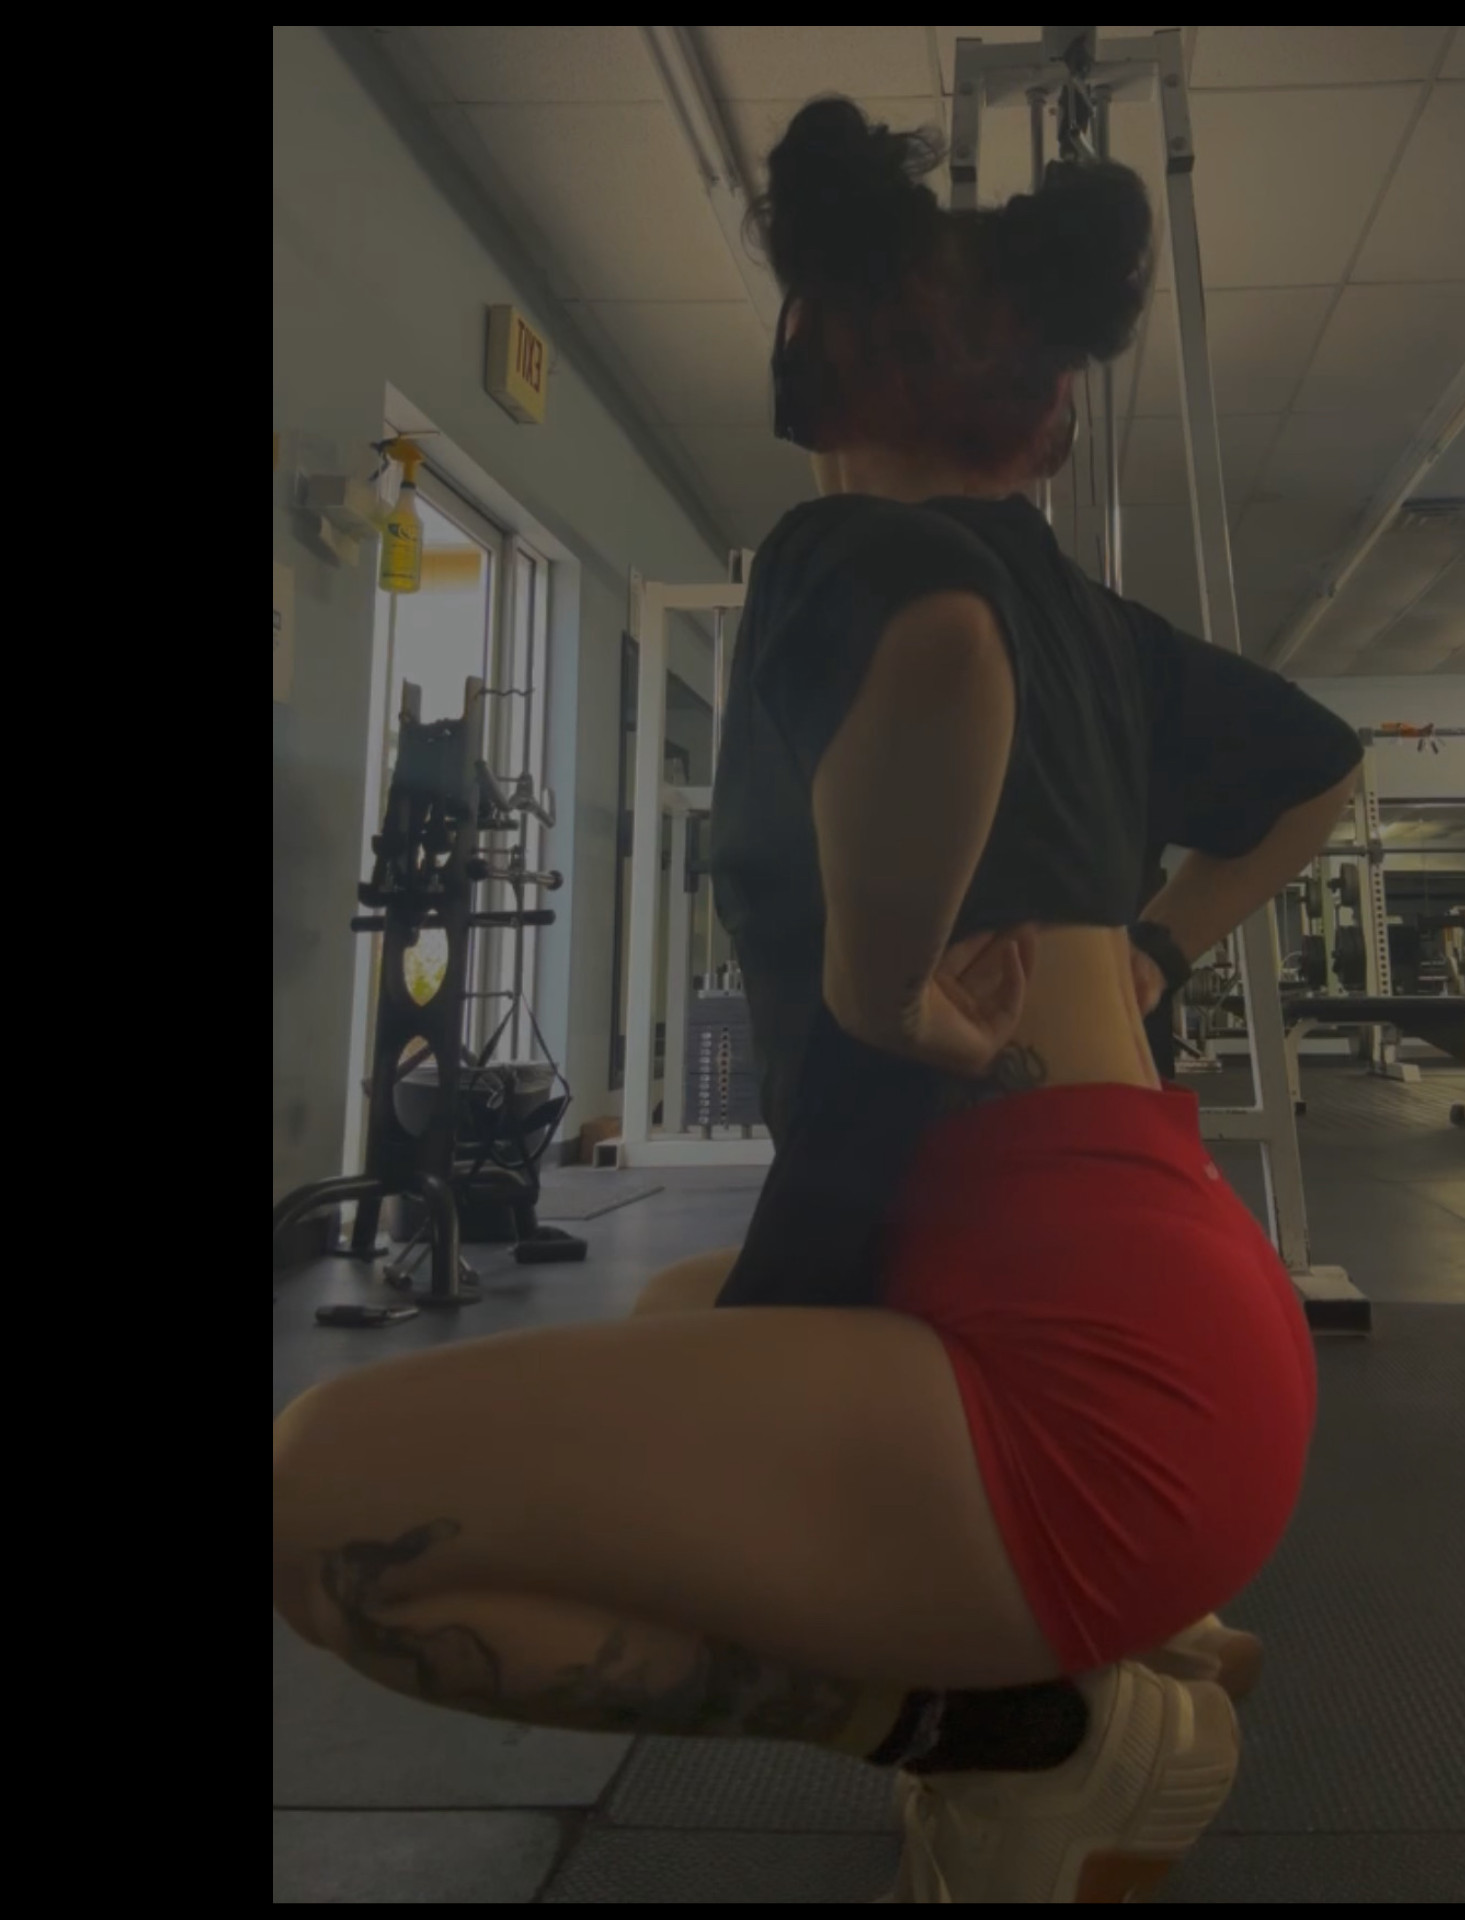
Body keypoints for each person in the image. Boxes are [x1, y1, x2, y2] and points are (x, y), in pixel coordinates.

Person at [271, 97, 1362, 1904]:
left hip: (1082, 1401)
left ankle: (1008, 1725)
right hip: (1176, 1303)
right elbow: (1323, 773)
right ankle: (1116, 1644)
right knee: (676, 1320)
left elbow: (943, 658)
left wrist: (884, 981)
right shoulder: (1100, 630)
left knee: (320, 1508)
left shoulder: (838, 556)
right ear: (1053, 409)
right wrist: (1155, 950)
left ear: (815, 359)